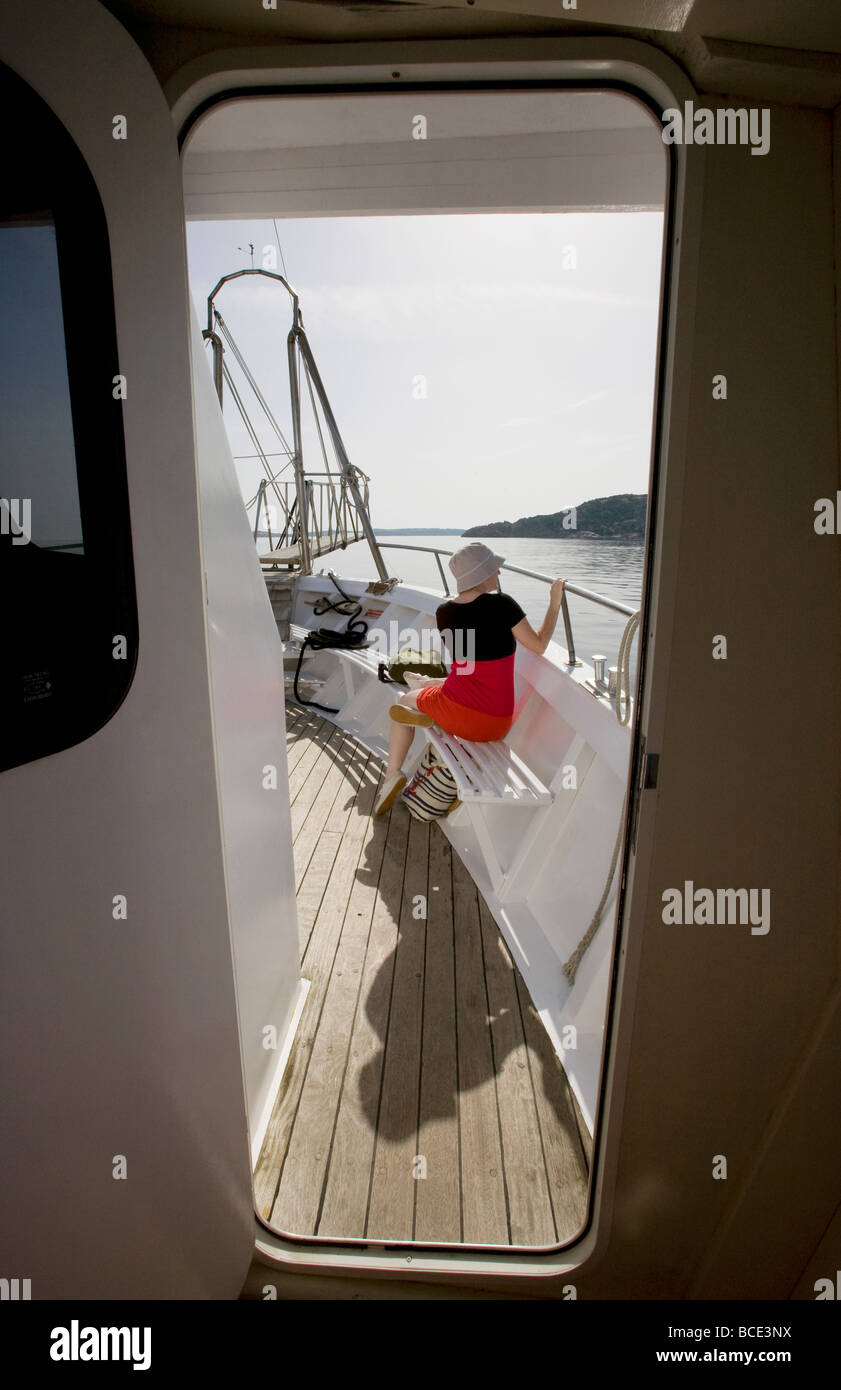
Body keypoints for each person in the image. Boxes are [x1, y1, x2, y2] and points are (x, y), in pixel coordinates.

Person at [374, 541, 566, 814]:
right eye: (493, 569)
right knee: (440, 689)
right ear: (479, 574)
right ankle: (428, 690)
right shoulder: (503, 605)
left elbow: (465, 668)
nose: (498, 574)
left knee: (403, 701)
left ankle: (392, 775)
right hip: (497, 723)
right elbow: (539, 644)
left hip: (462, 713)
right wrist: (554, 603)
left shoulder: (445, 613)